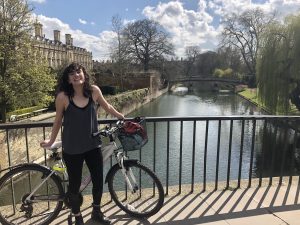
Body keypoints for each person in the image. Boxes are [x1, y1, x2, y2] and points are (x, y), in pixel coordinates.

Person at [40, 62, 124, 225]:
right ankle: (77, 215)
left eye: (78, 72)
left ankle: (96, 211)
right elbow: (57, 121)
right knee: (75, 184)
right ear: (68, 79)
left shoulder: (94, 91)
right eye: (72, 74)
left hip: (93, 145)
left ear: (84, 74)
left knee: (98, 180)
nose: (76, 75)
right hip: (72, 149)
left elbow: (107, 106)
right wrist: (51, 141)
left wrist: (121, 116)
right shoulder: (63, 97)